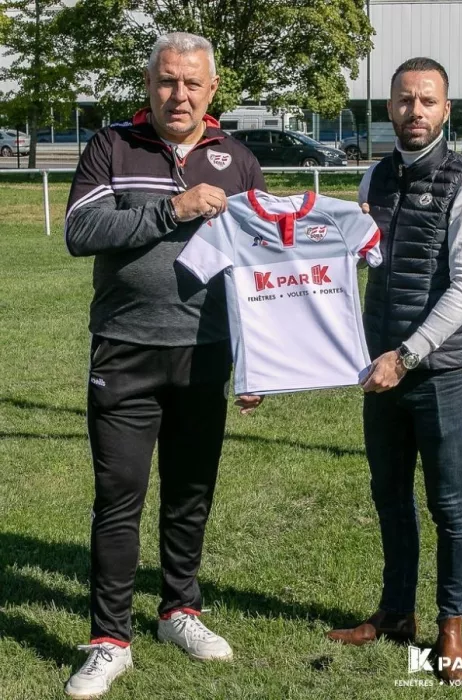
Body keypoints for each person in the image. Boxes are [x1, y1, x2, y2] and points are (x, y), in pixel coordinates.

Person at [64, 31, 264, 699]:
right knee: (118, 498)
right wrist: (171, 208)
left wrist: (261, 361)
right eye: (166, 81)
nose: (178, 94)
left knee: (189, 496)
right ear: (149, 85)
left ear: (213, 91)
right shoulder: (111, 146)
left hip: (204, 356)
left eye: (192, 83)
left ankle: (180, 611)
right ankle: (108, 640)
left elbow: (261, 273)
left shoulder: (237, 159)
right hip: (124, 350)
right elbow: (81, 232)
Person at [327, 57, 462, 684]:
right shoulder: (374, 177)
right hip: (381, 372)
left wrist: (407, 355)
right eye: (404, 100)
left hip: (437, 372)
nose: (415, 111)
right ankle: (397, 613)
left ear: (446, 110)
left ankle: (450, 624)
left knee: (448, 504)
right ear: (389, 107)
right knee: (389, 499)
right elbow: (351, 270)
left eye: (427, 101)